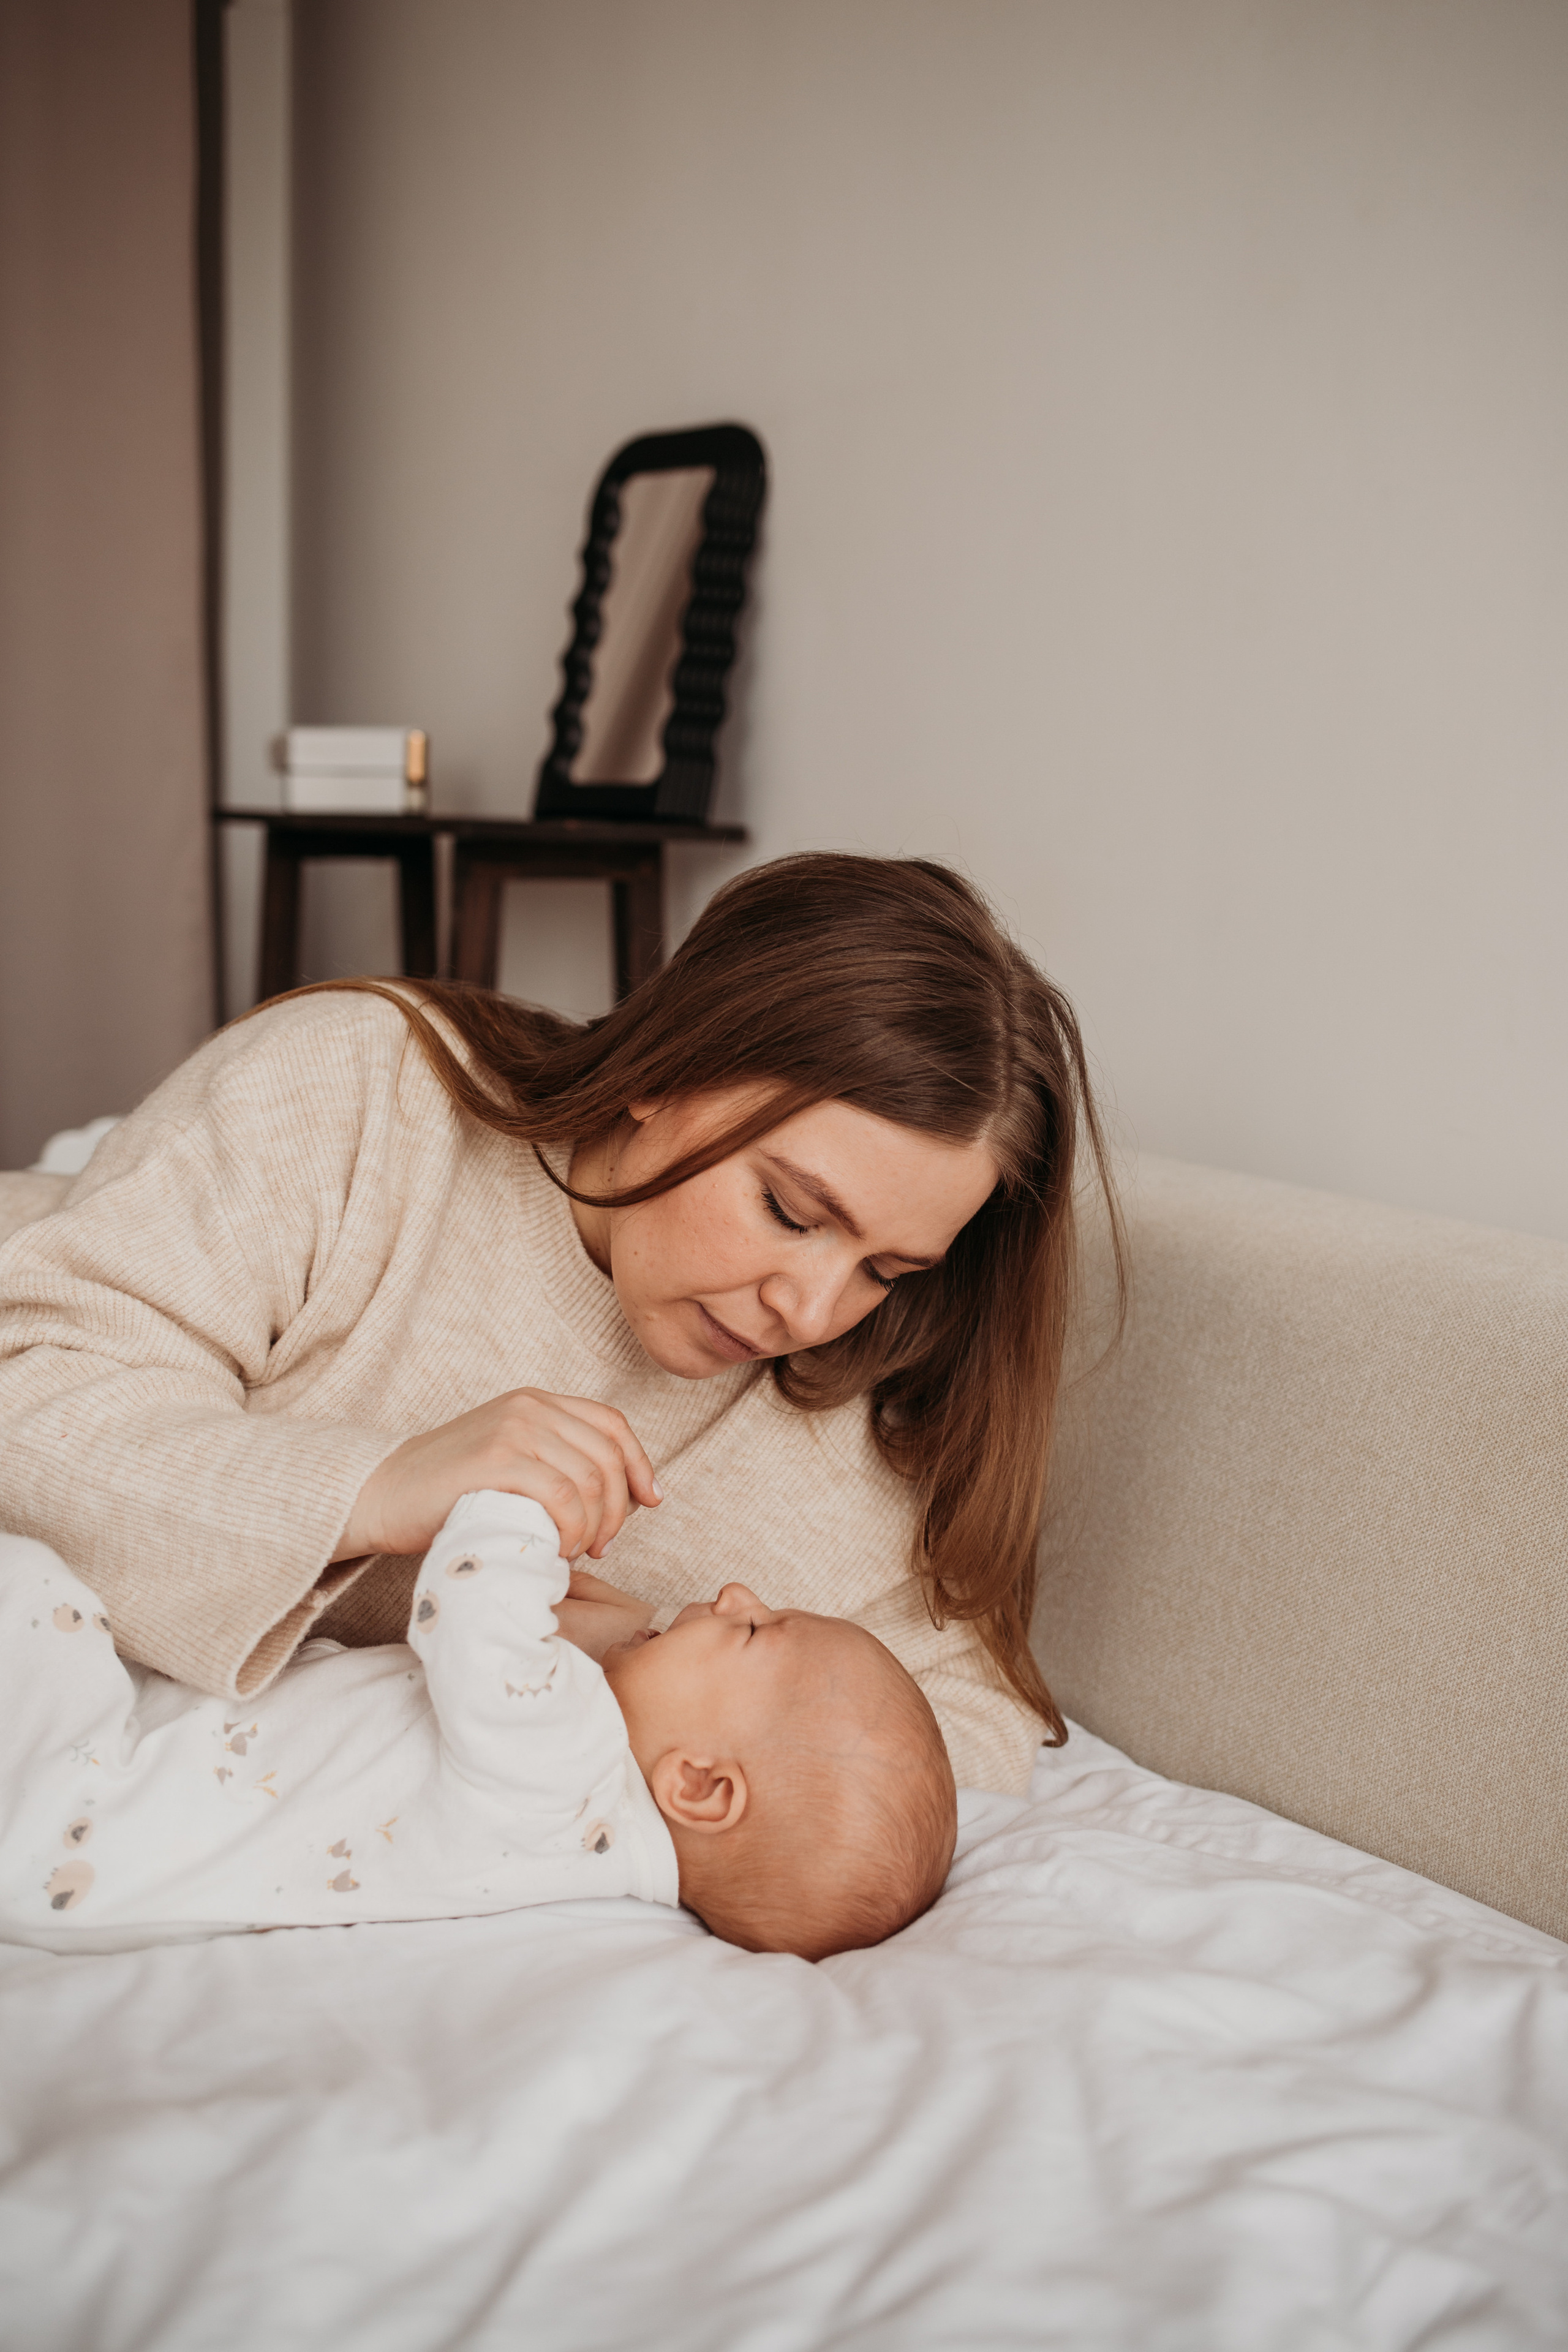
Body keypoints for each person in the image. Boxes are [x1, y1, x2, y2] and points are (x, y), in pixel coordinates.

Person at [0, 854, 1122, 1792]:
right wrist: (380, 1486)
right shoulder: (361, 1089)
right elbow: (28, 1404)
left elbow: (961, 1739)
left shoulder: (855, 1414)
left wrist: (636, 1670)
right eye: (788, 1211)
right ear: (666, 1069)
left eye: (886, 1267)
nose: (812, 1311)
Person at [0, 1492, 957, 1962]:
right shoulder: (586, 1857)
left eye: (752, 1630)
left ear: (699, 1787)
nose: (735, 1593)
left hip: (84, 1810)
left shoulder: (570, 1761)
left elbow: (469, 1611)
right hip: (101, 1857)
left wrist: (521, 1501)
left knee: (36, 1581)